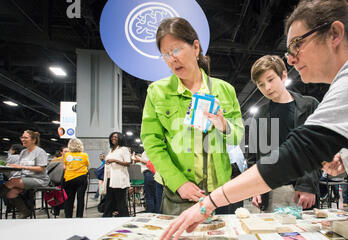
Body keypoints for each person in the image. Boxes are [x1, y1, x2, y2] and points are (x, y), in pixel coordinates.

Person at [161, 0, 348, 240]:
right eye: (288, 51)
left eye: (297, 44)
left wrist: (209, 203)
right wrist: (345, 158)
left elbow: (298, 151)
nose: (292, 58)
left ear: (334, 33)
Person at [140, 17, 244, 215]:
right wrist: (179, 183)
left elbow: (237, 136)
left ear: (196, 47)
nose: (172, 59)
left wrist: (224, 125)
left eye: (177, 50)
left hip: (219, 193)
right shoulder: (157, 92)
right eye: (166, 54)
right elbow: (152, 142)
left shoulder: (225, 90)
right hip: (178, 193)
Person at [248, 55, 320, 211]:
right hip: (270, 190)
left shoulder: (309, 106)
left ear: (284, 75)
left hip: (302, 191)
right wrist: (254, 188)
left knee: (305, 235)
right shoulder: (260, 114)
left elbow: (318, 150)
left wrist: (307, 184)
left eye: (271, 79)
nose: (267, 87)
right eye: (261, 84)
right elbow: (253, 157)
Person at [0, 130, 49, 218]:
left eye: (25, 137)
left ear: (33, 140)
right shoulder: (23, 152)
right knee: (10, 193)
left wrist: (23, 167)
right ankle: (25, 212)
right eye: (22, 137)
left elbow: (41, 168)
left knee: (12, 182)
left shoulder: (40, 152)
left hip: (39, 179)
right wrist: (13, 166)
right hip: (25, 178)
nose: (23, 139)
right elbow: (20, 166)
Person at [102, 132, 131, 217]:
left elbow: (128, 163)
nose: (113, 138)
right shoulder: (111, 150)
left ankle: (124, 218)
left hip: (119, 179)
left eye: (116, 137)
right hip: (110, 178)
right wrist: (104, 160)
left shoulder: (123, 149)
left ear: (120, 139)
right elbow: (109, 162)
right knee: (109, 200)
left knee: (120, 202)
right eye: (112, 137)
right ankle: (106, 217)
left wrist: (115, 160)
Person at [63, 138, 89, 218]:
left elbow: (65, 165)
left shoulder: (67, 155)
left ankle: (68, 216)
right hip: (81, 178)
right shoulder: (84, 155)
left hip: (69, 178)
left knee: (69, 199)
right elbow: (87, 164)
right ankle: (79, 217)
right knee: (80, 199)